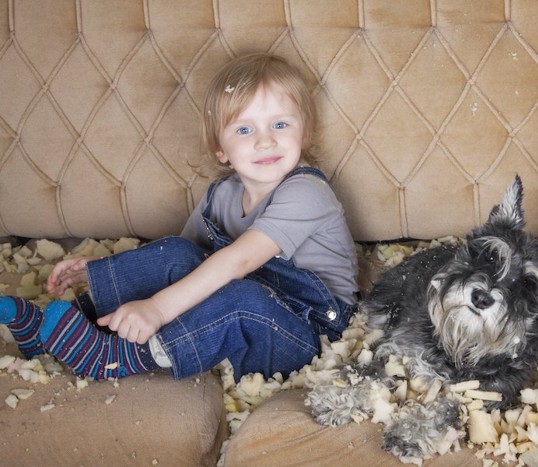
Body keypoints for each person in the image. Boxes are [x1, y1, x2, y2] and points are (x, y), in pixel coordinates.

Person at [0, 53, 358, 382]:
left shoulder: (307, 193)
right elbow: (182, 258)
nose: (265, 141)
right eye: (245, 129)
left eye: (280, 125)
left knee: (242, 298)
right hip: (249, 292)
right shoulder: (223, 194)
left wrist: (156, 309)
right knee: (175, 251)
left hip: (305, 331)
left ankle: (118, 355)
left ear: (304, 132)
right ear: (221, 149)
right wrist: (113, 270)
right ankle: (63, 326)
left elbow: (239, 260)